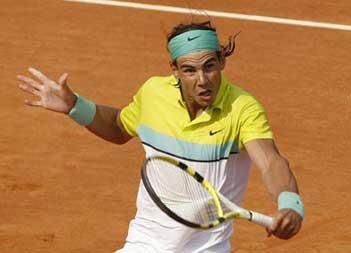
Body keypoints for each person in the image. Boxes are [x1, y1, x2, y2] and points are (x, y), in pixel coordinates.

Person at [17, 20, 304, 253]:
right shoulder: (154, 93)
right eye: (190, 70)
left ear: (221, 63)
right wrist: (75, 107)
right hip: (145, 244)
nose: (202, 80)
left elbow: (271, 162)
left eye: (209, 66)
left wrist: (289, 204)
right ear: (175, 70)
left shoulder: (242, 108)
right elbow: (119, 127)